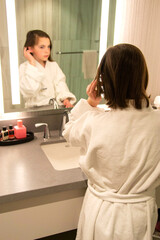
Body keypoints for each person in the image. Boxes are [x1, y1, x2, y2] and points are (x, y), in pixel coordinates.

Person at [63, 43, 160, 240]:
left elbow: (69, 132)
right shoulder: (157, 122)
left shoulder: (93, 122)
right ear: (143, 75)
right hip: (138, 216)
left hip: (99, 212)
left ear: (103, 80)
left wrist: (90, 103)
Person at [19, 30, 76, 108]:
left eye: (48, 46)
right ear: (30, 48)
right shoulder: (24, 67)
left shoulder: (53, 65)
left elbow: (60, 84)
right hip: (35, 111)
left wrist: (65, 100)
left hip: (54, 108)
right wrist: (32, 63)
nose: (47, 51)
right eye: (42, 47)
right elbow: (30, 90)